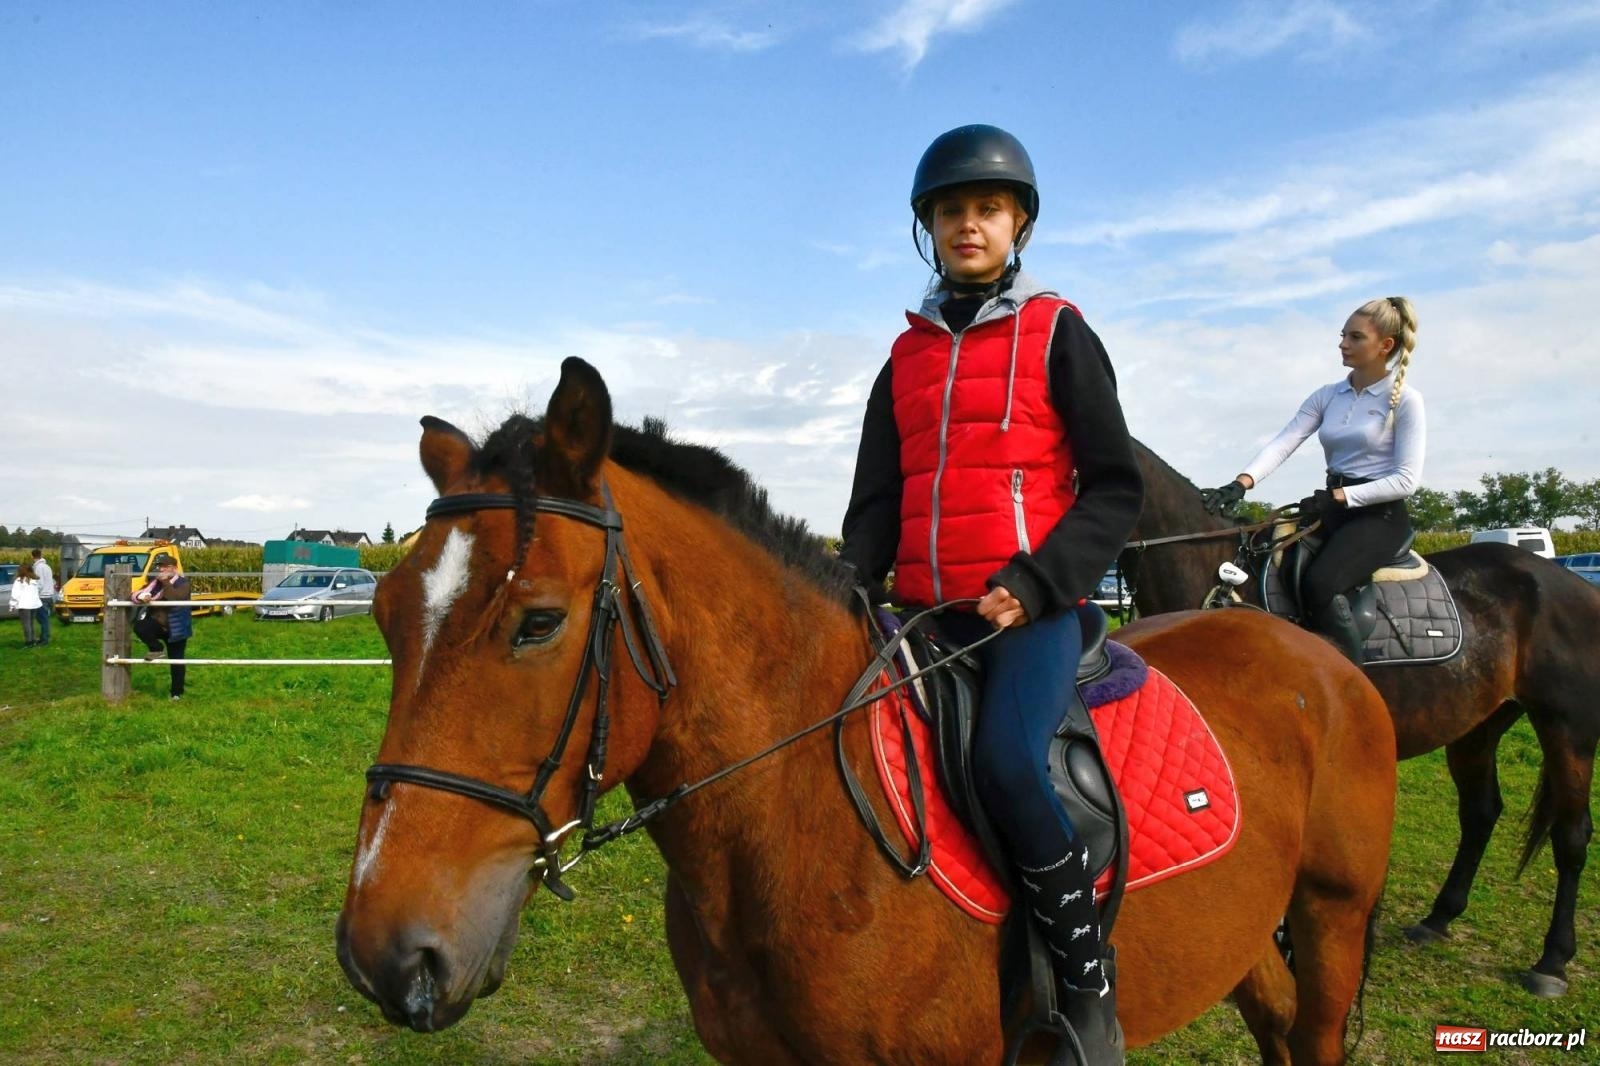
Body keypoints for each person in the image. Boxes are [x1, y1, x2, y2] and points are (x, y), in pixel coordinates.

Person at [839, 124, 1143, 1065]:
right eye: (950, 210)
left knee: (1010, 761)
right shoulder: (905, 355)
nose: (968, 224)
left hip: (1029, 613)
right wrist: (852, 585)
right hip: (923, 613)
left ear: (1018, 223)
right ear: (928, 228)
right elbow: (877, 499)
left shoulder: (1059, 331)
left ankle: (1087, 982)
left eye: (987, 208)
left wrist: (1038, 581)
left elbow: (1114, 487)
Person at [1202, 297, 1423, 663]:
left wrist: (1340, 497)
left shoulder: (1406, 401)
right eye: (1343, 335)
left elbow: (1406, 481)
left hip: (1378, 519)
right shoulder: (1328, 395)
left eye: (1355, 337)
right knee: (1262, 559)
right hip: (1332, 509)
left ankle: (1352, 683)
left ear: (1385, 346)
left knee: (1321, 584)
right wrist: (1241, 483)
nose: (1343, 343)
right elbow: (1285, 441)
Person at [133, 553, 192, 699]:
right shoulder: (154, 583)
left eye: (166, 567)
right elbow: (135, 594)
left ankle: (176, 693)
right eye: (160, 567)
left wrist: (166, 582)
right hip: (158, 624)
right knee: (140, 627)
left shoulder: (184, 583)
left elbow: (174, 598)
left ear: (174, 568)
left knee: (176, 661)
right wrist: (142, 597)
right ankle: (156, 649)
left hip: (176, 628)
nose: (162, 570)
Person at [12, 564, 42, 646]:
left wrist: (12, 605)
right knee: (31, 623)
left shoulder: (19, 581)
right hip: (34, 604)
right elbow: (39, 589)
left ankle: (29, 642)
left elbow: (15, 595)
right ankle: (33, 640)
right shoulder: (34, 580)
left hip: (24, 605)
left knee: (26, 624)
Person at [31, 548, 54, 646]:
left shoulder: (38, 567)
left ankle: (44, 640)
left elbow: (39, 583)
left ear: (32, 556)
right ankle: (44, 637)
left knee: (42, 619)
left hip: (42, 596)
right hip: (49, 595)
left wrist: (33, 592)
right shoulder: (47, 566)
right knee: (44, 619)